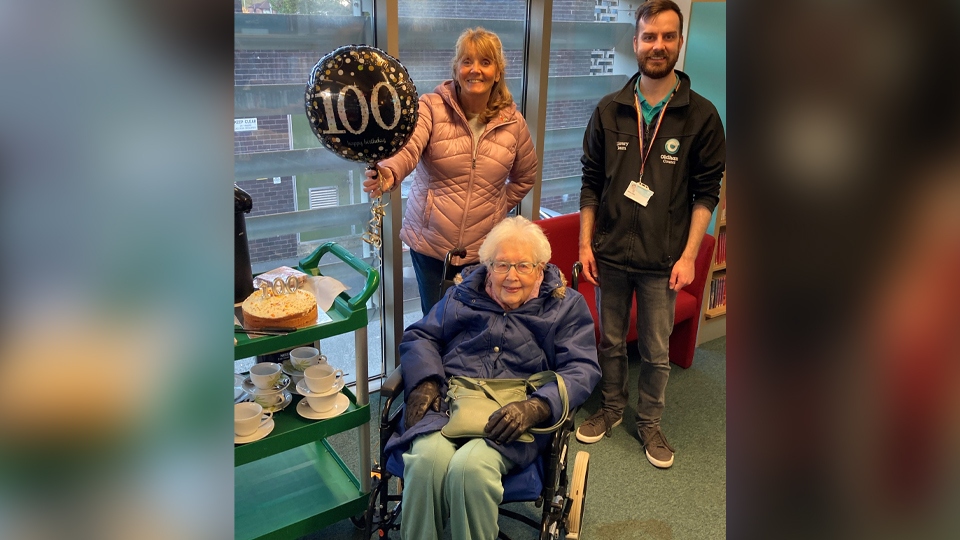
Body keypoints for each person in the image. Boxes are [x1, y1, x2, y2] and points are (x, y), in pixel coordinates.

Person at [575, 0, 725, 470]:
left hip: (664, 261)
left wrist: (690, 257)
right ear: (635, 42)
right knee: (611, 341)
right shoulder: (609, 109)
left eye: (667, 36)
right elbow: (590, 181)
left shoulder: (701, 116)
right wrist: (584, 244)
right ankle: (613, 409)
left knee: (656, 352)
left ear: (679, 43)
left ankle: (651, 423)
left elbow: (707, 193)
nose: (657, 45)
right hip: (611, 251)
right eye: (648, 36)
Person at [382, 216, 600, 540]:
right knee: (425, 460)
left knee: (471, 470)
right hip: (449, 403)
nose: (511, 276)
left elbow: (582, 368)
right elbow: (421, 336)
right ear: (488, 266)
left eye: (523, 266)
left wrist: (538, 407)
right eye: (501, 265)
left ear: (540, 269)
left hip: (515, 419)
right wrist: (426, 380)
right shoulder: (462, 295)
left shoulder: (565, 307)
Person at [361, 27, 538, 314]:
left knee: (474, 326)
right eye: (466, 61)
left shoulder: (513, 123)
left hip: (482, 251)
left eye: (485, 62)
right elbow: (408, 148)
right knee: (436, 325)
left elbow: (525, 176)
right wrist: (389, 173)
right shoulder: (431, 108)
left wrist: (495, 207)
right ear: (456, 69)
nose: (475, 70)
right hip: (431, 246)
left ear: (498, 71)